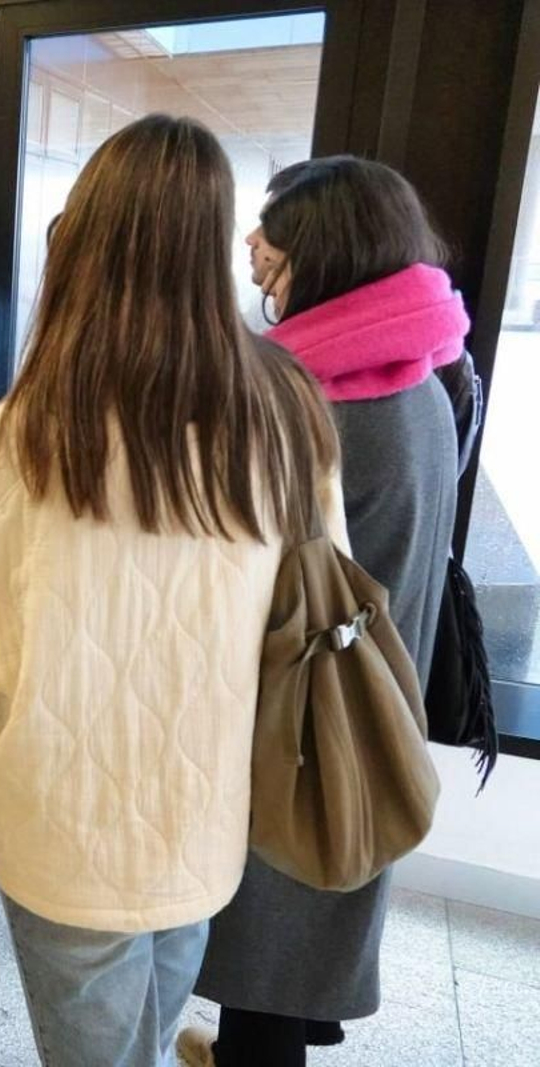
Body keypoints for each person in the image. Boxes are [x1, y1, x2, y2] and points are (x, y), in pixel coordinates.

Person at [0, 114, 345, 1067]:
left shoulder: (30, 426)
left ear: (86, 239)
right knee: (151, 1019)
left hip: (59, 819)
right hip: (205, 806)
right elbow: (312, 608)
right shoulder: (284, 413)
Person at [185, 156, 471, 1067]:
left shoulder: (314, 399)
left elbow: (243, 575)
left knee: (273, 934)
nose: (254, 248)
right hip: (374, 688)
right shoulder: (426, 366)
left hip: (306, 714)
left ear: (326, 249)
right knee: (310, 910)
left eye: (273, 235)